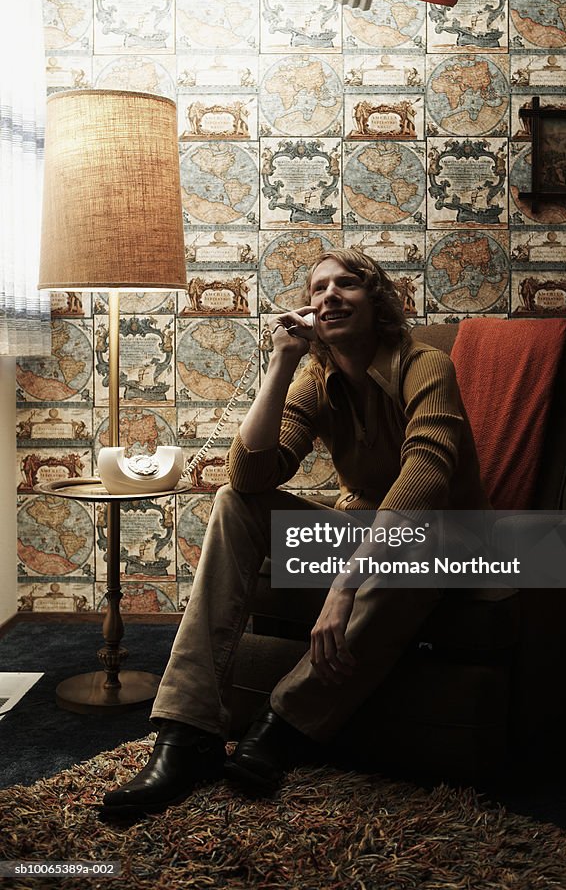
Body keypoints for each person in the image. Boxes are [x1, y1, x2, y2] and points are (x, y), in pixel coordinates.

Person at [101, 249, 488, 818]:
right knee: (236, 503)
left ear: (376, 300)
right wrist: (282, 364)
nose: (330, 295)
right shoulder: (315, 373)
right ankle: (186, 734)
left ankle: (281, 726)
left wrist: (344, 586)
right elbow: (251, 475)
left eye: (347, 284)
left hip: (442, 542)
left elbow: (425, 477)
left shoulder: (425, 364)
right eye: (318, 287)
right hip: (357, 533)